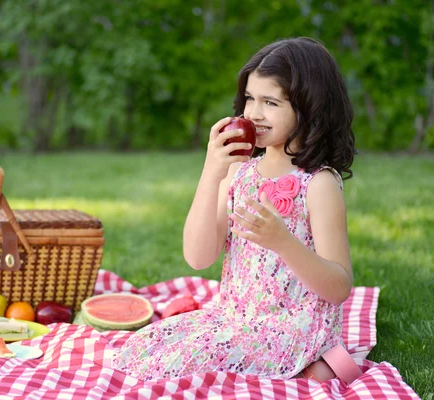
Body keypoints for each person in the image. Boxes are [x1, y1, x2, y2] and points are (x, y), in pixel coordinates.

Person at [112, 37, 357, 381]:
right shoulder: (240, 171)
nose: (253, 113)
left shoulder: (318, 184)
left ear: (310, 107)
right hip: (235, 317)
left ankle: (317, 360)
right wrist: (211, 172)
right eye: (249, 99)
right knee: (144, 347)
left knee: (184, 364)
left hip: (291, 327)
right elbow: (198, 257)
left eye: (270, 102)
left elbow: (338, 286)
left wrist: (283, 241)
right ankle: (307, 370)